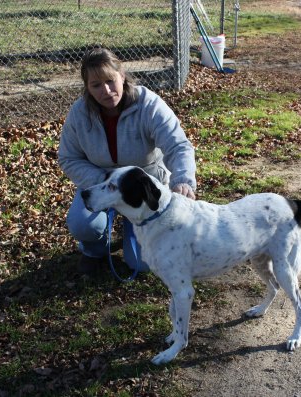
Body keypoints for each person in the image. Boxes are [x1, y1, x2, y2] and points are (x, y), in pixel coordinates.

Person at [58, 47, 197, 274]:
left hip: (142, 186)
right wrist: (104, 179)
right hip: (101, 181)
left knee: (141, 264)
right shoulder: (79, 113)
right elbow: (68, 157)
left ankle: (132, 229)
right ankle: (95, 250)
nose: (106, 90)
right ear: (87, 88)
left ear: (122, 75)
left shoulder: (148, 104)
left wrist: (183, 179)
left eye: (110, 81)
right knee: (84, 224)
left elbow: (177, 145)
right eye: (96, 85)